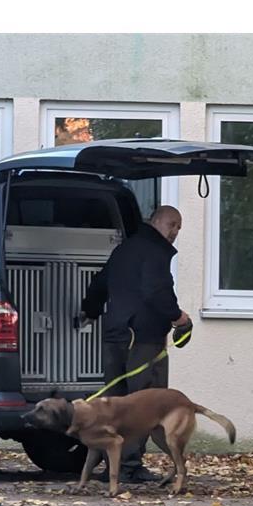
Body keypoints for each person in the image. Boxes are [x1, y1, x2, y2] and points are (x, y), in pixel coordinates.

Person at [79, 205, 191, 483]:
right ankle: (129, 467)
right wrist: (178, 317)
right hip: (143, 339)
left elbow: (100, 284)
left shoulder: (124, 250)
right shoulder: (155, 253)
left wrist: (89, 311)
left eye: (179, 227)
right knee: (143, 405)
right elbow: (157, 291)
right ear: (155, 222)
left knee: (113, 404)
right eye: (172, 224)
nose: (175, 231)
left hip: (115, 334)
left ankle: (113, 467)